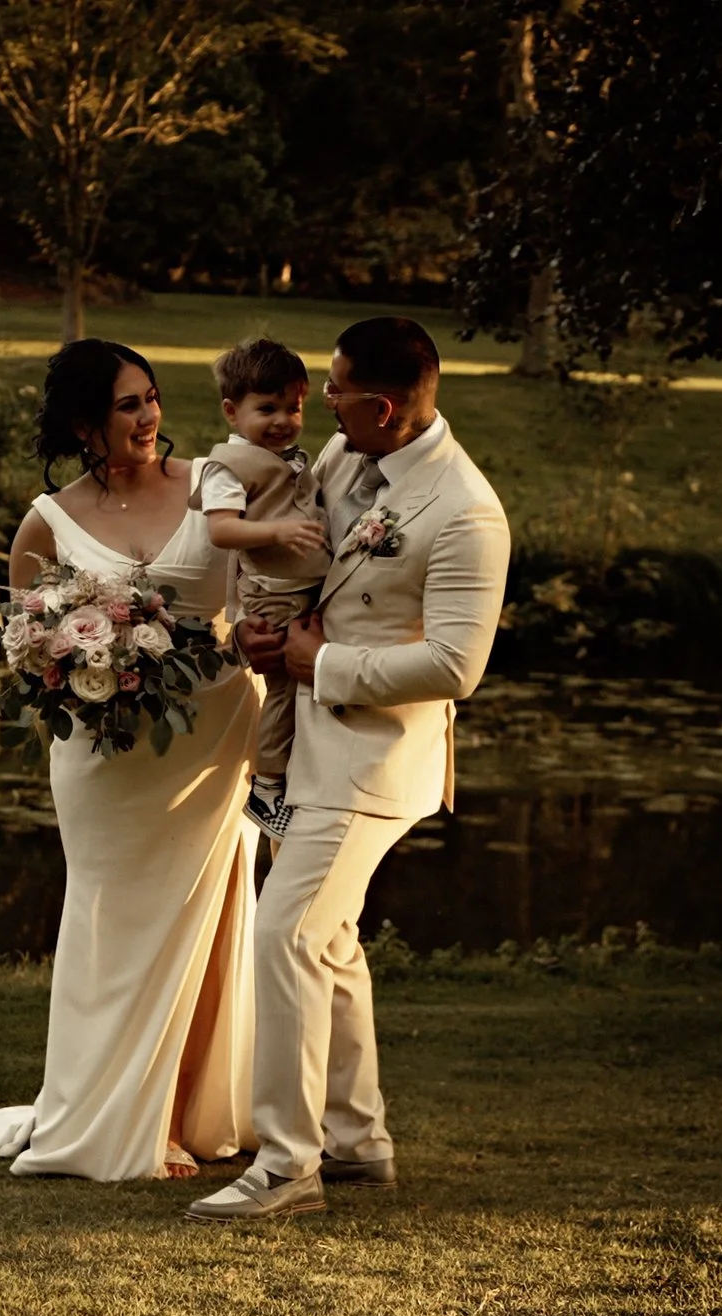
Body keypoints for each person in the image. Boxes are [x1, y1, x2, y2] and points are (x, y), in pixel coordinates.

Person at [0, 339, 263, 1182]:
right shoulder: (51, 518)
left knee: (204, 920)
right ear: (85, 424)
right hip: (107, 758)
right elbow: (24, 644)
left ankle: (186, 1109)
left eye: (151, 397)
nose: (150, 416)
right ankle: (116, 1113)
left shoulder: (214, 489)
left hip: (215, 740)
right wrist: (84, 667)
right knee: (114, 927)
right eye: (127, 405)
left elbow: (263, 595)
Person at [186, 317, 512, 1222]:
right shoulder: (343, 452)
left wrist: (316, 666)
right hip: (309, 750)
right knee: (328, 945)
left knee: (284, 933)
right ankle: (357, 1141)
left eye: (334, 391)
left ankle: (288, 1166)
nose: (318, 402)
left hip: (374, 762)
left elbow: (455, 665)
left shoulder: (465, 511)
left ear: (384, 404)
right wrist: (261, 636)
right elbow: (303, 566)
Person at [191, 338, 331, 840]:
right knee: (285, 686)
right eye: (266, 408)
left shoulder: (290, 458)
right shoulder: (229, 467)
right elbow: (222, 530)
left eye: (293, 408)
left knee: (308, 683)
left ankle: (296, 772)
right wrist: (277, 531)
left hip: (303, 589)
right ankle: (268, 785)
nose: (283, 420)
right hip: (274, 593)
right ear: (232, 412)